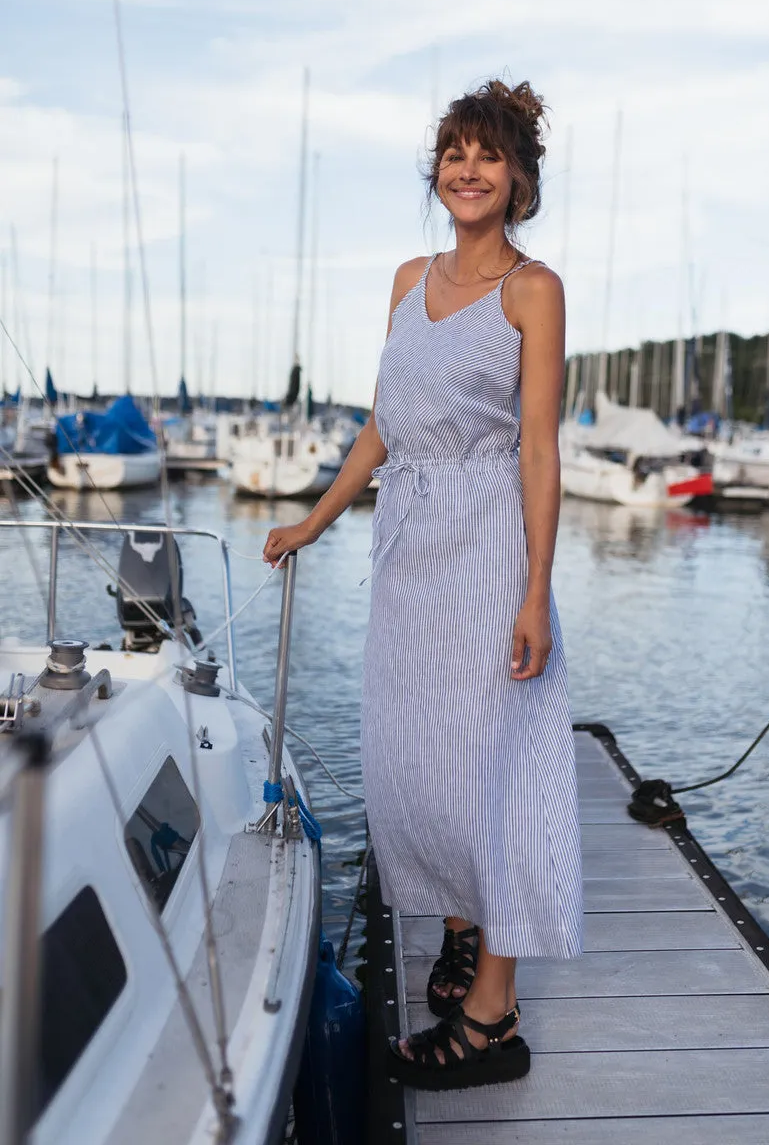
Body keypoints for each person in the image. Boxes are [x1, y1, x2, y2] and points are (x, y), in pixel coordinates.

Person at [264, 78, 583, 1092]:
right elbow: (380, 423)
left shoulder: (533, 290)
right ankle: (458, 925)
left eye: (487, 154)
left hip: (489, 544)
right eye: (453, 151)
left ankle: (492, 1015)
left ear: (519, 177)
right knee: (415, 760)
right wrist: (314, 517)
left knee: (491, 762)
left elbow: (538, 448)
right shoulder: (407, 277)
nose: (467, 169)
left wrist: (535, 589)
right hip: (408, 548)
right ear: (436, 171)